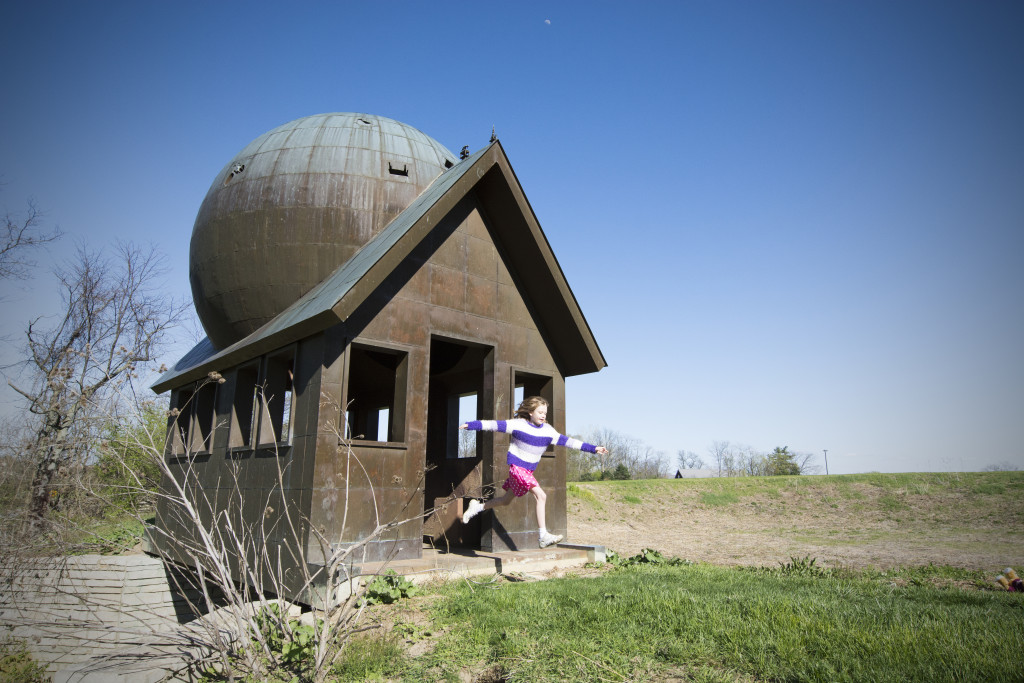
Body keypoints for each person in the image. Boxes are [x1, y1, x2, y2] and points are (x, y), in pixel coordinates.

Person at [460, 396, 609, 548]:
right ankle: (543, 535)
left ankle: (477, 507)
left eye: (545, 412)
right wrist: (472, 425)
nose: (543, 415)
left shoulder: (548, 431)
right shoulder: (518, 425)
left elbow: (570, 442)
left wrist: (594, 448)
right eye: (540, 412)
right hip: (517, 468)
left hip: (527, 472)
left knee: (505, 500)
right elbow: (494, 425)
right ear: (530, 412)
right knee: (541, 495)